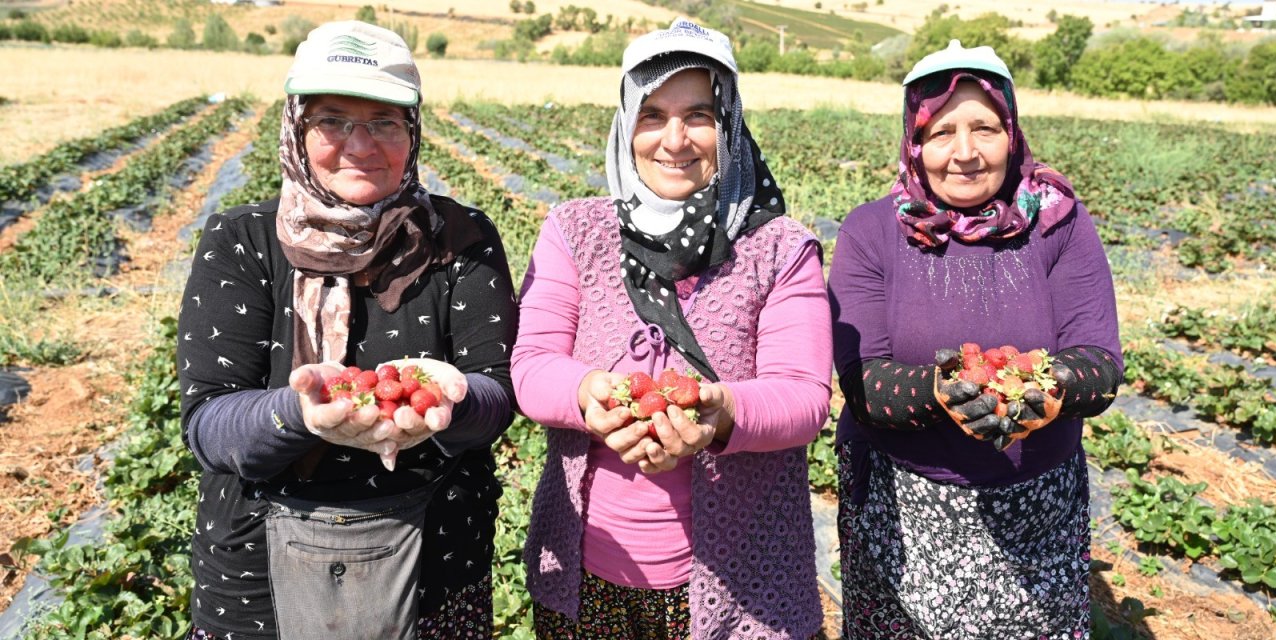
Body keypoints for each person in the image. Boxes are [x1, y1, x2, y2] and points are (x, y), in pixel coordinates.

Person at [176, 21, 518, 640]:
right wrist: (298, 414)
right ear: (297, 128)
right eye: (332, 120)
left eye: (385, 122)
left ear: (412, 134)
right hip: (256, 579)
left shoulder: (462, 240)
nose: (360, 145)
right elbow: (207, 421)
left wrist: (454, 399)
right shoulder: (242, 242)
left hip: (435, 561)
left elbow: (496, 395)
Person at [511, 19, 832, 640]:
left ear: (730, 123)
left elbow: (803, 395)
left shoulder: (778, 247)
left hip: (740, 583)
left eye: (700, 115)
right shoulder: (576, 231)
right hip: (589, 571)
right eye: (652, 113)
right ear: (626, 121)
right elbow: (531, 365)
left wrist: (721, 413)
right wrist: (590, 395)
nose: (675, 139)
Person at [827, 39, 1124, 639]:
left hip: (1036, 504)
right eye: (940, 132)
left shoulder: (1058, 223)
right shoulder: (870, 232)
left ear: (1011, 132)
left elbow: (1100, 359)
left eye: (984, 128)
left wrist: (1049, 388)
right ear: (914, 141)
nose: (964, 153)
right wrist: (941, 391)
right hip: (902, 509)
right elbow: (861, 381)